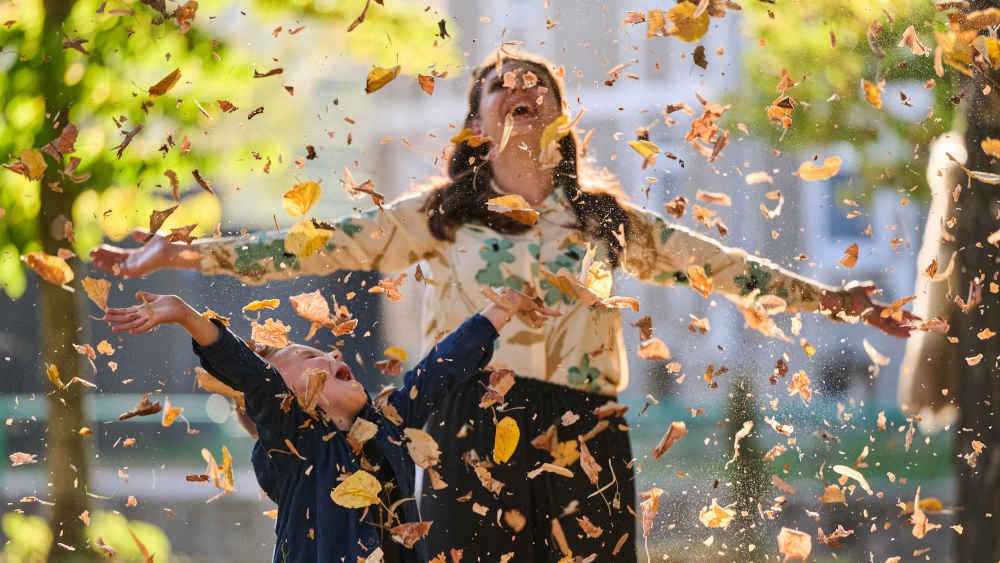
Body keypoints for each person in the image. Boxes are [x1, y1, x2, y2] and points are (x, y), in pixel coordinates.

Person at [91, 50, 916, 561]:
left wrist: (838, 302)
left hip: (587, 424)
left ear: (558, 116)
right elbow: (318, 243)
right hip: (466, 425)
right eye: (503, 87)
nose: (524, 90)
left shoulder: (606, 220)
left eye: (540, 85)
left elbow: (721, 267)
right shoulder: (441, 213)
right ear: (480, 126)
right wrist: (188, 252)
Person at [103, 287, 556, 563]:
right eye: (306, 357)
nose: (333, 356)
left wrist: (501, 309)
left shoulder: (388, 425)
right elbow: (252, 377)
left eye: (328, 352)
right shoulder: (295, 444)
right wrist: (186, 316)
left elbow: (437, 372)